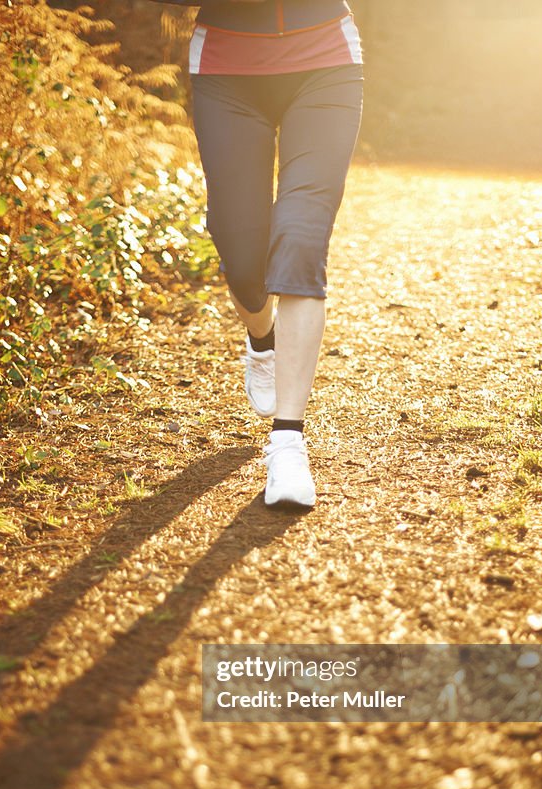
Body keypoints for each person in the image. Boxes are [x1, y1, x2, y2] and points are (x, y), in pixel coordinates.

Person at [162, 0, 364, 508]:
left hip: (325, 62)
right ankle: (261, 337)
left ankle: (288, 442)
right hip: (226, 71)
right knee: (241, 248)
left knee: (300, 238)